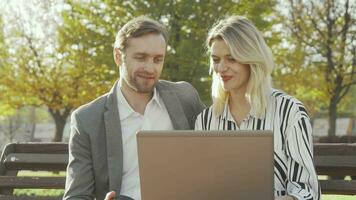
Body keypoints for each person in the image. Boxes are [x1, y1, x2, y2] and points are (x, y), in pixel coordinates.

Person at [64, 16, 205, 200]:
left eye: (157, 59)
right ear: (118, 56)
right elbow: (76, 195)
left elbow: (216, 150)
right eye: (141, 57)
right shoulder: (87, 119)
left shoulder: (185, 97)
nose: (150, 68)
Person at [195, 16, 320, 200]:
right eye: (216, 59)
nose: (221, 68)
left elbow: (307, 190)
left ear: (251, 59)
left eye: (231, 59)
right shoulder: (205, 120)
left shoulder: (289, 112)